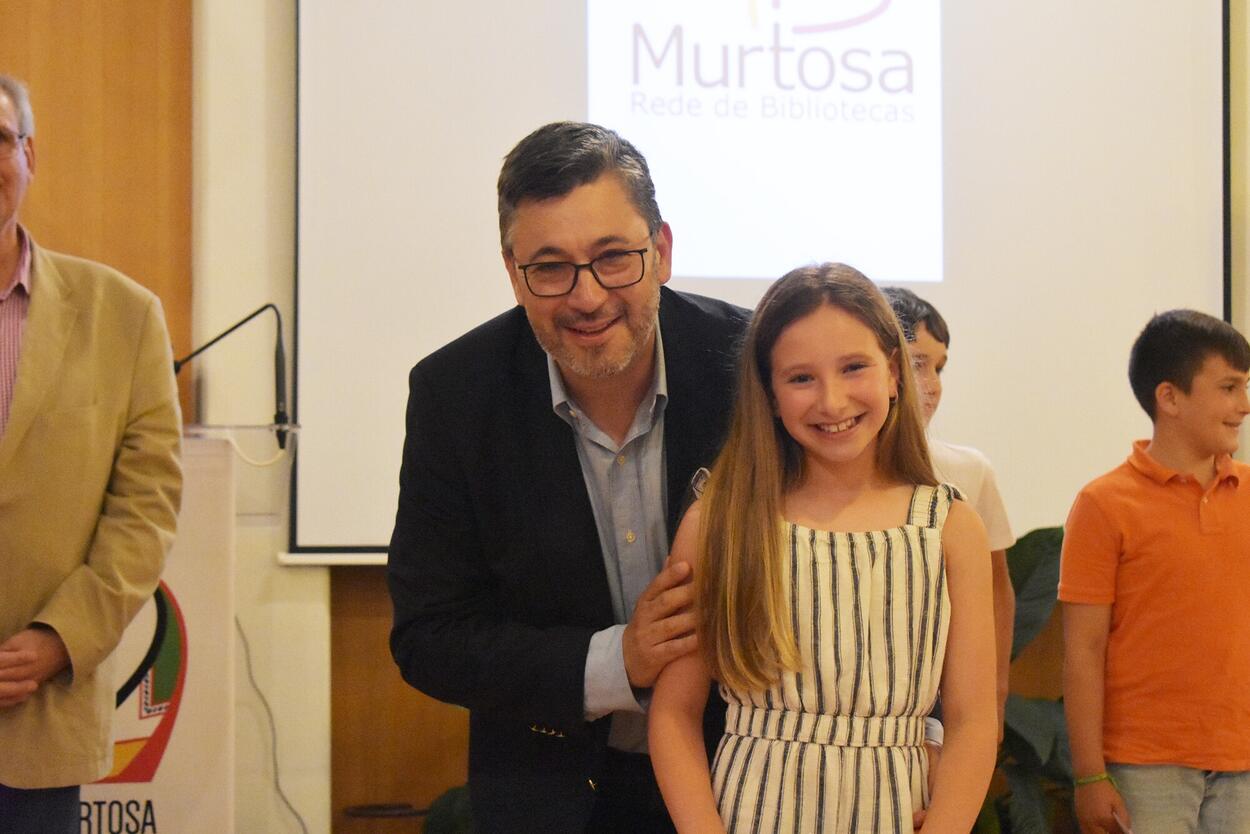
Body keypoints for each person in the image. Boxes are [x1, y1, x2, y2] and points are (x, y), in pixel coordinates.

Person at [387, 122, 750, 833]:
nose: (586, 297)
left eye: (614, 258)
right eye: (550, 268)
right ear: (512, 270)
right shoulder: (455, 394)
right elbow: (429, 636)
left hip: (748, 780)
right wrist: (617, 660)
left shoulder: (751, 362)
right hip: (551, 796)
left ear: (662, 251)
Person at [649, 264, 997, 832]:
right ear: (769, 393)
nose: (832, 401)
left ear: (893, 372)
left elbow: (973, 720)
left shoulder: (951, 528)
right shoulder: (720, 523)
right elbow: (674, 714)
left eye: (854, 367)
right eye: (801, 378)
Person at [0, 75, 182, 832]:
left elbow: (146, 510)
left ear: (29, 155)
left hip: (37, 711)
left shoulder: (124, 316)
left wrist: (61, 637)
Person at [1060, 309, 1250, 834]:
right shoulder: (1103, 503)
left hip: (1242, 761)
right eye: (1229, 388)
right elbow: (1082, 650)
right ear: (1169, 397)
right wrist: (1089, 775)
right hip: (1144, 766)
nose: (1244, 405)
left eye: (1245, 387)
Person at [883, 287, 1016, 731]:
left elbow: (997, 590)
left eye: (939, 367)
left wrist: (995, 696)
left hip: (943, 700)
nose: (933, 385)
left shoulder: (968, 471)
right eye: (918, 363)